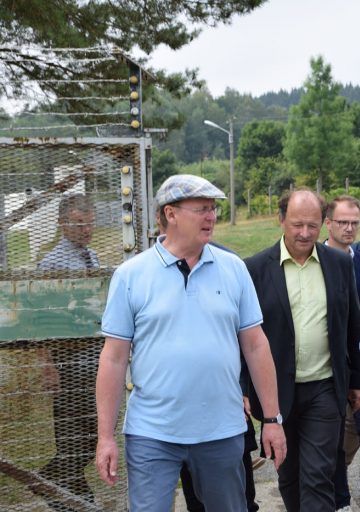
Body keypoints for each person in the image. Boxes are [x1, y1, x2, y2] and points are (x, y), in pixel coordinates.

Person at [95, 174, 286, 511]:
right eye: (201, 209)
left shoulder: (234, 269)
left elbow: (256, 347)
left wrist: (271, 419)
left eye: (213, 209)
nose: (212, 216)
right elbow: (113, 359)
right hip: (152, 434)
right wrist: (105, 437)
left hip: (222, 432)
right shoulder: (131, 276)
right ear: (170, 214)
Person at [244, 189, 360, 512]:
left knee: (319, 475)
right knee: (289, 474)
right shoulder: (255, 269)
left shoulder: (339, 264)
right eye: (297, 224)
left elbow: (353, 323)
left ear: (323, 224)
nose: (304, 233)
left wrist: (358, 380)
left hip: (324, 389)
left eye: (312, 226)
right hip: (277, 394)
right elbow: (244, 337)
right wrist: (245, 389)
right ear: (281, 219)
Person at [36, 194, 100, 511]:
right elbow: (40, 318)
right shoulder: (51, 264)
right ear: (63, 224)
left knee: (93, 434)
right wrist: (47, 365)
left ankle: (58, 487)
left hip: (96, 359)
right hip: (69, 360)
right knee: (73, 435)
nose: (86, 228)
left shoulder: (94, 257)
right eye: (79, 222)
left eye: (90, 222)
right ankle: (66, 494)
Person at [325, 195, 360, 511]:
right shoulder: (316, 259)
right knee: (332, 444)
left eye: (353, 223)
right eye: (342, 222)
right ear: (328, 223)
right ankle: (335, 499)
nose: (348, 229)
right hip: (328, 372)